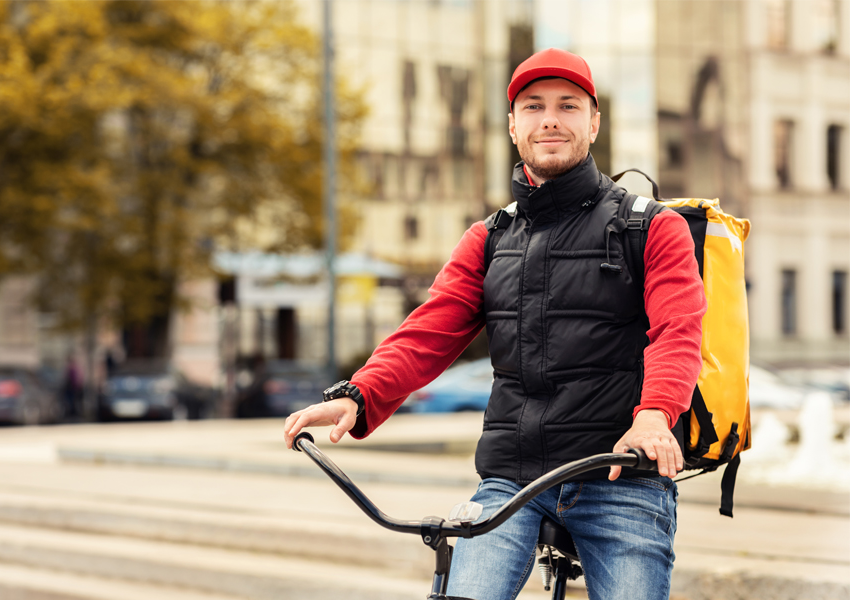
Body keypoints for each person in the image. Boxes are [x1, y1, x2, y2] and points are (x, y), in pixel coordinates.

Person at [284, 48, 705, 600]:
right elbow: (429, 331)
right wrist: (358, 395)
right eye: (533, 106)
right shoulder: (489, 239)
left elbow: (678, 331)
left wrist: (654, 417)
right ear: (512, 125)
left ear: (594, 122)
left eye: (568, 106)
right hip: (513, 480)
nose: (550, 118)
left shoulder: (651, 227)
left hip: (620, 474)